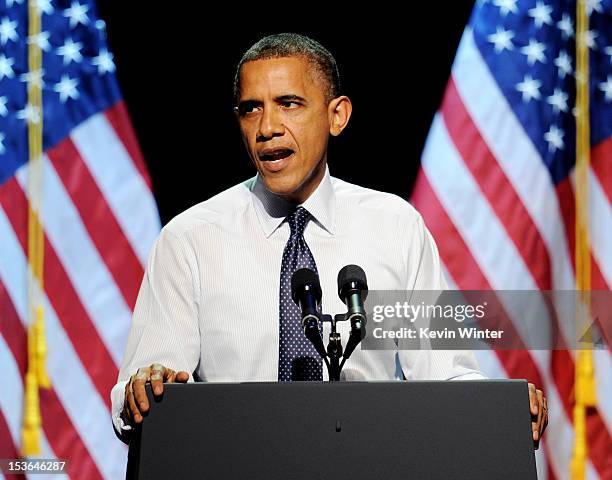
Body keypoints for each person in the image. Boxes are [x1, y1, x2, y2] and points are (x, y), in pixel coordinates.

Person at [111, 33, 548, 446]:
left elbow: (446, 375)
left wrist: (502, 408)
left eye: (289, 103)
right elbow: (140, 391)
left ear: (336, 115)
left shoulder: (395, 226)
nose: (268, 128)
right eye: (251, 109)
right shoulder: (190, 239)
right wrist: (145, 387)